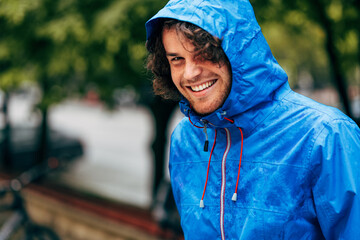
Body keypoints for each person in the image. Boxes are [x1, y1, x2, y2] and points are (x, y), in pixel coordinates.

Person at [145, 0, 360, 239]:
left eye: (204, 53)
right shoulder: (185, 140)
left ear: (239, 50)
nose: (190, 73)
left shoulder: (326, 135)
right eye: (177, 59)